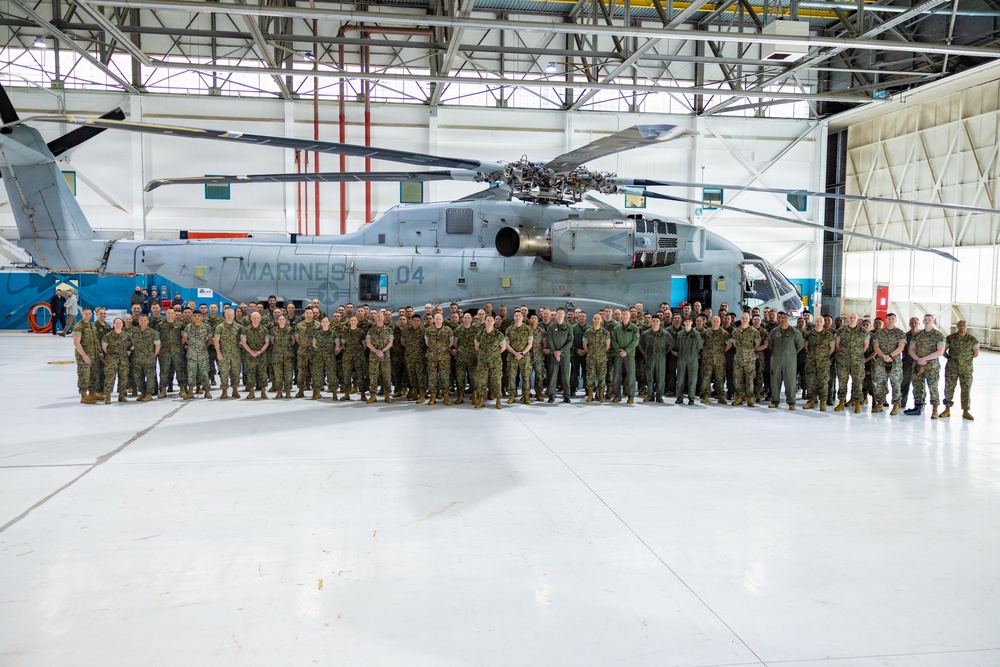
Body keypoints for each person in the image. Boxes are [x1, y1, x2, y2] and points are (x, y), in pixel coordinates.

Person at [904, 314, 945, 418]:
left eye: (929, 320)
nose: (927, 321)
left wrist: (925, 359)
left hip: (931, 366)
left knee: (933, 387)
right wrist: (918, 359)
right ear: (923, 321)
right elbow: (910, 349)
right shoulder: (918, 335)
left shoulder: (938, 335)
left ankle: (935, 409)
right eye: (925, 320)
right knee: (917, 387)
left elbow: (940, 351)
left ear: (933, 321)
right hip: (918, 365)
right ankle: (918, 407)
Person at [941, 320, 979, 420]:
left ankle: (966, 411)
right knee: (949, 388)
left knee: (966, 389)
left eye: (964, 325)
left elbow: (976, 354)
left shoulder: (972, 339)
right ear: (957, 326)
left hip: (966, 369)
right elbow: (943, 352)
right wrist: (951, 359)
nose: (962, 327)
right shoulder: (950, 338)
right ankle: (947, 409)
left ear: (966, 327)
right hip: (951, 368)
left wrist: (964, 361)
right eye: (960, 325)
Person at [766, 311, 804, 410]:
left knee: (790, 381)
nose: (783, 320)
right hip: (776, 359)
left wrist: (791, 353)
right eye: (781, 318)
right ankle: (774, 401)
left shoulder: (795, 332)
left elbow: (800, 345)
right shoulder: (774, 331)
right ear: (779, 319)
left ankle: (791, 402)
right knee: (775, 380)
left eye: (785, 318)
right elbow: (769, 345)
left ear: (789, 319)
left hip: (790, 360)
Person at [871, 313, 907, 415]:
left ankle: (896, 405)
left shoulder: (900, 333)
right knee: (880, 383)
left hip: (895, 362)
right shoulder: (879, 333)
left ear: (895, 320)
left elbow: (901, 347)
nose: (891, 320)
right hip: (881, 361)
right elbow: (876, 347)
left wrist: (890, 356)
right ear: (886, 320)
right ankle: (880, 404)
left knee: (896, 383)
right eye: (889, 319)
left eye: (893, 319)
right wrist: (884, 356)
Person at [834, 312, 868, 413]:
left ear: (857, 319)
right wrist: (844, 354)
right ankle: (841, 402)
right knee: (842, 381)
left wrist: (857, 354)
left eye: (854, 317)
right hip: (843, 361)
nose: (852, 319)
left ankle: (857, 403)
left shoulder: (863, 331)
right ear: (847, 319)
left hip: (857, 361)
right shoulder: (841, 330)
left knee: (857, 382)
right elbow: (837, 345)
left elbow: (866, 346)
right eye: (850, 317)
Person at [802, 315, 835, 411]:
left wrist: (824, 356)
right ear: (814, 322)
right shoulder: (809, 334)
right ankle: (811, 401)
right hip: (811, 362)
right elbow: (806, 346)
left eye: (821, 321)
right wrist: (812, 356)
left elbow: (832, 348)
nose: (819, 323)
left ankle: (823, 402)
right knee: (810, 382)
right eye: (817, 321)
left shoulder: (829, 335)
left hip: (823, 363)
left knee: (823, 383)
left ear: (823, 322)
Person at [474, 315, 507, 409]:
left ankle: (498, 400)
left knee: (496, 381)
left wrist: (494, 354)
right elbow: (477, 347)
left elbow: (503, 347)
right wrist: (485, 355)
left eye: (491, 320)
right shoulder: (479, 334)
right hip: (482, 362)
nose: (489, 322)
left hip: (495, 362)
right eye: (487, 320)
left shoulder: (499, 335)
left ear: (494, 322)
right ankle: (481, 400)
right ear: (485, 321)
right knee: (481, 381)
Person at [729, 312, 761, 407]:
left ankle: (749, 399)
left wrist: (751, 351)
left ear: (749, 319)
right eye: (743, 318)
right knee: (738, 379)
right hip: (738, 359)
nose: (744, 319)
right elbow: (734, 344)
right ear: (741, 319)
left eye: (746, 318)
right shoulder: (735, 332)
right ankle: (739, 398)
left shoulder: (755, 332)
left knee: (749, 380)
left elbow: (757, 344)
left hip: (749, 360)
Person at [640, 315, 673, 403]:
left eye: (657, 321)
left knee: (660, 376)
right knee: (649, 376)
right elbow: (642, 344)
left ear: (660, 322)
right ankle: (650, 395)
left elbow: (670, 344)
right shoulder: (646, 334)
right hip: (650, 356)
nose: (655, 322)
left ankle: (659, 396)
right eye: (653, 321)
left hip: (661, 357)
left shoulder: (665, 334)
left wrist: (663, 352)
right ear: (651, 321)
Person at [182, 311, 214, 399]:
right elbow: (184, 339)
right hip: (191, 355)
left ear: (201, 317)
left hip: (203, 355)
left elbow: (210, 339)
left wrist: (205, 347)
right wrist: (190, 346)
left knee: (204, 373)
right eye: (195, 316)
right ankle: (190, 392)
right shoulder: (188, 327)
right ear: (192, 317)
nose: (197, 317)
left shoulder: (207, 327)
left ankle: (207, 391)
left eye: (199, 316)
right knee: (191, 374)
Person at [610, 311, 640, 404]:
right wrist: (619, 350)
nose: (625, 316)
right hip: (618, 355)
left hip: (630, 355)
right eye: (623, 314)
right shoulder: (617, 328)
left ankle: (631, 396)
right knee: (616, 376)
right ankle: (617, 395)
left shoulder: (634, 328)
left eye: (627, 314)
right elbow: (613, 340)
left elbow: (635, 341)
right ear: (621, 316)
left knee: (631, 376)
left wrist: (626, 351)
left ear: (629, 316)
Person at [425, 313, 454, 405]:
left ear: (442, 320)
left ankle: (446, 396)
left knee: (445, 377)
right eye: (436, 318)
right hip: (432, 357)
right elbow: (427, 342)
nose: (438, 320)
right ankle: (433, 396)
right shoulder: (429, 330)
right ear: (433, 320)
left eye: (439, 319)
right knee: (432, 377)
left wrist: (443, 348)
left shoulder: (448, 330)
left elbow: (451, 342)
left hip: (444, 357)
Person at [214, 307, 243, 399]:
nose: (230, 316)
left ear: (234, 315)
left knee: (235, 372)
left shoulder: (239, 327)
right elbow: (216, 341)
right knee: (224, 372)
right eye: (228, 315)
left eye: (231, 315)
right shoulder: (220, 327)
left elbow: (242, 340)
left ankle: (235, 390)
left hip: (235, 354)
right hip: (223, 354)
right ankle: (224, 391)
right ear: (224, 316)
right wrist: (218, 352)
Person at [72, 307, 100, 403]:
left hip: (94, 355)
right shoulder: (79, 326)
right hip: (84, 357)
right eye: (85, 314)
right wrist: (84, 355)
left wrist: (99, 352)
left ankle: (92, 393)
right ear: (82, 314)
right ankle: (83, 395)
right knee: (84, 375)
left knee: (93, 375)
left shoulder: (92, 326)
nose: (87, 315)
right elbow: (76, 342)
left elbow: (95, 340)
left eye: (89, 313)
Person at [504, 311, 533, 405]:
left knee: (526, 377)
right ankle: (512, 395)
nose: (518, 317)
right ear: (514, 317)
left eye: (519, 315)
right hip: (512, 356)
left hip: (524, 356)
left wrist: (521, 353)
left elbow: (530, 344)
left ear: (523, 317)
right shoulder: (509, 329)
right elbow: (506, 344)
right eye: (516, 315)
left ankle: (526, 396)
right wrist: (515, 353)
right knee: (511, 376)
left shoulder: (528, 329)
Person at [700, 315, 730, 405]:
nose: (715, 322)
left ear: (720, 322)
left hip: (719, 359)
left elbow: (729, 345)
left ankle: (721, 396)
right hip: (707, 359)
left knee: (720, 378)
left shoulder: (724, 333)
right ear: (711, 321)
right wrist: (706, 350)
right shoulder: (706, 332)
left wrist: (721, 351)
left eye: (717, 321)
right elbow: (701, 343)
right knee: (706, 377)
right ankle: (705, 395)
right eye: (714, 321)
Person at [365, 312, 394, 403]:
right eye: (378, 317)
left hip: (385, 356)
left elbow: (390, 343)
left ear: (384, 317)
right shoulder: (370, 330)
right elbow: (368, 343)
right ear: (375, 318)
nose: (379, 318)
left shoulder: (389, 330)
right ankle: (373, 395)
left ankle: (387, 395)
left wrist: (382, 351)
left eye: (381, 316)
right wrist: (376, 351)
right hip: (374, 356)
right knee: (373, 375)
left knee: (386, 375)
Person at [240, 312, 271, 399]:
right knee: (250, 373)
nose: (256, 319)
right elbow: (243, 342)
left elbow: (267, 342)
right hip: (249, 355)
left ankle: (263, 392)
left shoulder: (265, 330)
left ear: (260, 319)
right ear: (251, 319)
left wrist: (260, 351)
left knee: (263, 374)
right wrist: (251, 351)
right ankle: (251, 392)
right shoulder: (245, 330)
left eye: (257, 318)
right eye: (254, 318)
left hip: (262, 355)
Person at [101, 317, 132, 403]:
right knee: (110, 377)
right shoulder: (108, 335)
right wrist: (110, 354)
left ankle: (121, 395)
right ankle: (107, 396)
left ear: (123, 325)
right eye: (116, 323)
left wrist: (129, 351)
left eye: (120, 323)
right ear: (113, 324)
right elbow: (104, 346)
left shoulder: (127, 336)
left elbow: (133, 344)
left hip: (123, 359)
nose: (118, 325)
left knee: (123, 377)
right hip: (111, 360)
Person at [546, 308, 574, 403]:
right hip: (554, 355)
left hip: (564, 355)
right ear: (556, 315)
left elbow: (570, 340)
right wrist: (554, 352)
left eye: (562, 313)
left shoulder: (569, 327)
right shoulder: (551, 327)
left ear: (564, 315)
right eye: (558, 313)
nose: (560, 315)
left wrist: (561, 351)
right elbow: (549, 340)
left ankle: (566, 395)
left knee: (565, 375)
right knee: (553, 375)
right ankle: (551, 395)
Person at [131, 314, 160, 401]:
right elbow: (133, 344)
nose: (143, 322)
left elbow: (158, 345)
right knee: (138, 377)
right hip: (137, 359)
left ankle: (149, 393)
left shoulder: (153, 333)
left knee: (150, 376)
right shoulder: (135, 333)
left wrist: (153, 355)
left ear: (148, 321)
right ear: (139, 322)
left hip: (149, 359)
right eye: (141, 320)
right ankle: (142, 392)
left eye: (145, 320)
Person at [582, 313, 610, 402]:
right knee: (590, 377)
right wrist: (591, 352)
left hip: (602, 359)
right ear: (593, 320)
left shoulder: (605, 332)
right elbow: (585, 345)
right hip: (591, 359)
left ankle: (601, 394)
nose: (597, 320)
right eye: (595, 318)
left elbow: (607, 346)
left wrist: (600, 353)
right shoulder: (588, 332)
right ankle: (590, 394)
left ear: (601, 320)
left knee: (601, 377)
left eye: (598, 318)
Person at [673, 317, 701, 405]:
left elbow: (699, 346)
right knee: (680, 379)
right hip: (682, 358)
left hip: (692, 359)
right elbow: (677, 345)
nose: (688, 322)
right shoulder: (680, 334)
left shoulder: (696, 334)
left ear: (692, 323)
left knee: (692, 379)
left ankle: (691, 398)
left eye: (689, 321)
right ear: (684, 323)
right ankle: (679, 397)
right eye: (686, 321)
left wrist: (694, 353)